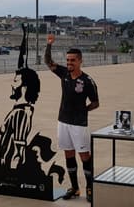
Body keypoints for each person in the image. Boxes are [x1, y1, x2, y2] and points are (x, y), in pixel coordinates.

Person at [44, 34, 99, 202]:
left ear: (80, 61)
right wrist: (49, 45)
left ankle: (90, 187)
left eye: (72, 61)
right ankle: (75, 188)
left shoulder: (88, 81)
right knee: (69, 154)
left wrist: (84, 110)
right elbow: (49, 62)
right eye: (67, 60)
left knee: (84, 156)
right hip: (63, 121)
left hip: (79, 124)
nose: (69, 63)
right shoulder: (64, 74)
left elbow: (96, 103)